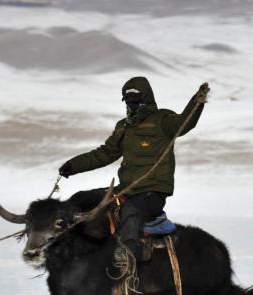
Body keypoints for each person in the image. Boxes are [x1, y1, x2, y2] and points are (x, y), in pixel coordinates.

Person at [58, 77, 208, 263]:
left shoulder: (162, 121)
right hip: (127, 188)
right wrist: (73, 166)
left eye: (136, 102)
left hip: (153, 191)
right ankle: (61, 235)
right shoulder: (123, 127)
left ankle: (127, 253)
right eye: (128, 102)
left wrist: (196, 102)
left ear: (146, 100)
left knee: (130, 210)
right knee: (82, 198)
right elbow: (105, 153)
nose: (132, 106)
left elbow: (184, 122)